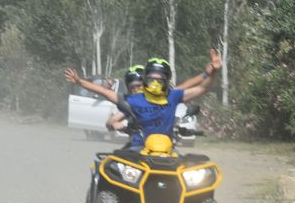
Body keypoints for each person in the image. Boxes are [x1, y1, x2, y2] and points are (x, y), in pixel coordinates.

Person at [66, 49, 222, 148]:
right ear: (146, 79)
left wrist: (211, 72)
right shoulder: (133, 102)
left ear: (166, 82)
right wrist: (80, 82)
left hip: (166, 150)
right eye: (151, 79)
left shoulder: (172, 96)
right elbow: (105, 93)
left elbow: (200, 87)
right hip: (138, 148)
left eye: (159, 80)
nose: (155, 83)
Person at [105, 56, 219, 132]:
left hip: (165, 146)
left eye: (139, 86)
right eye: (132, 88)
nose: (136, 90)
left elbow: (187, 86)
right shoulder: (133, 104)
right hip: (139, 147)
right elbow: (112, 121)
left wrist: (207, 74)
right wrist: (116, 125)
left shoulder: (167, 96)